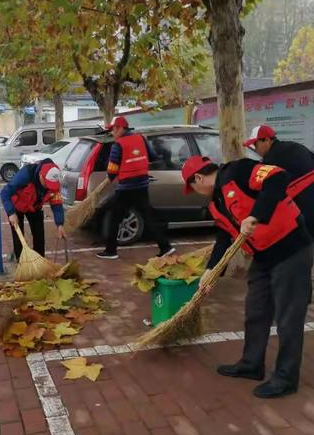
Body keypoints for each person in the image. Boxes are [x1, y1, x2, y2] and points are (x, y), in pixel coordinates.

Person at [182, 156, 313, 398]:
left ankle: (285, 378)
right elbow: (224, 238)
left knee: (288, 318)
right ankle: (252, 364)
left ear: (198, 178)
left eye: (193, 187)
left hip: (291, 249)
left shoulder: (238, 171)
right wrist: (211, 272)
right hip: (263, 257)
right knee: (255, 311)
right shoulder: (215, 203)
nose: (195, 192)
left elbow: (277, 177)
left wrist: (256, 216)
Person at [96, 116, 174, 260]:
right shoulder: (141, 139)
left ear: (120, 128)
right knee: (148, 217)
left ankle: (111, 251)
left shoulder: (118, 145)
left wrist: (110, 177)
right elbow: (152, 156)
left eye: (112, 130)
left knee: (114, 218)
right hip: (142, 185)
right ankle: (166, 247)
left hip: (126, 187)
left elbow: (112, 170)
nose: (112, 133)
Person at [243, 124, 314, 236]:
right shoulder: (295, 146)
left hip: (304, 208)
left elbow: (267, 190)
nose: (255, 149)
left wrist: (255, 215)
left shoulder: (271, 160)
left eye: (256, 144)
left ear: (266, 140)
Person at [1, 158, 66, 261]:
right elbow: (5, 193)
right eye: (47, 183)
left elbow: (57, 204)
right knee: (18, 237)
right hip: (17, 206)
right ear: (41, 175)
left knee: (39, 236)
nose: (49, 187)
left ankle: (40, 261)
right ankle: (21, 261)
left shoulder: (54, 184)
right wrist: (11, 213)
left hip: (35, 207)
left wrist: (60, 224)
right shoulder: (25, 175)